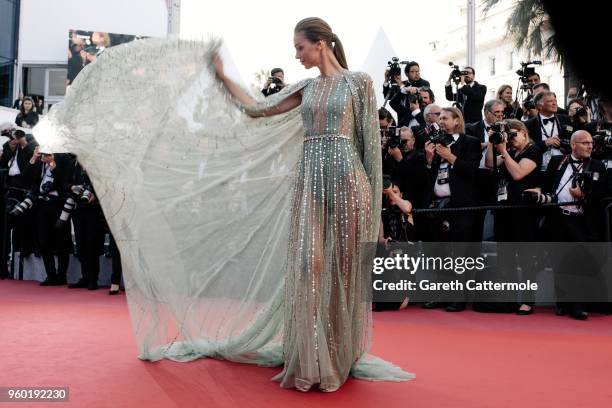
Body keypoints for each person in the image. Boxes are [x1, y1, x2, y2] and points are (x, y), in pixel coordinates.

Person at [213, 17, 413, 391]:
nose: (296, 54)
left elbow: (370, 143)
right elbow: (259, 108)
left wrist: (373, 200)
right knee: (309, 264)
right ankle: (309, 356)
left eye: (300, 47)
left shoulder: (359, 83)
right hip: (310, 181)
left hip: (349, 180)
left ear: (320, 43)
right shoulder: (305, 87)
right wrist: (223, 78)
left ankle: (335, 359)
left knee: (343, 270)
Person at [485, 120, 542, 315]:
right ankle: (508, 299)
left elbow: (518, 173)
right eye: (508, 135)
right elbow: (489, 163)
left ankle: (527, 301)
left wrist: (505, 151)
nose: (511, 139)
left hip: (523, 211)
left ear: (524, 133)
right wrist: (494, 143)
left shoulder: (533, 151)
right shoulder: (509, 151)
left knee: (526, 258)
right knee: (505, 258)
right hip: (504, 210)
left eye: (514, 134)